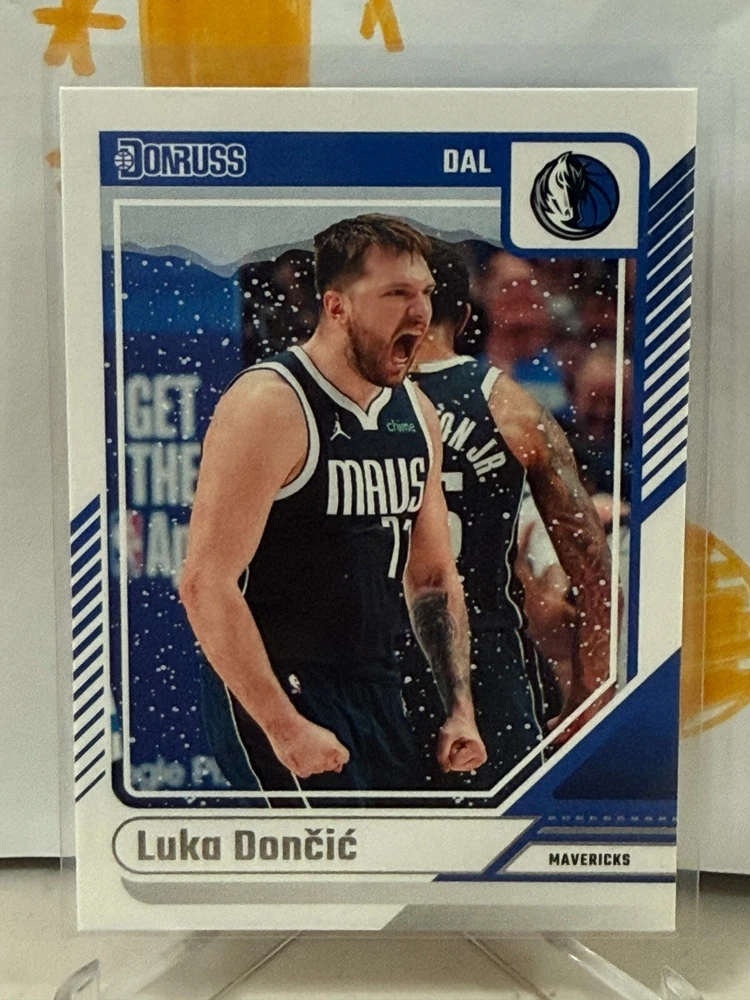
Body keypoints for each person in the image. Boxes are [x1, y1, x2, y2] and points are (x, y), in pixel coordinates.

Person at [180, 215, 487, 804]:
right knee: (325, 858)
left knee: (392, 852)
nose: (420, 312)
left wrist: (459, 708)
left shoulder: (417, 413)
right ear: (337, 306)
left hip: (377, 684)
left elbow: (432, 577)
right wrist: (282, 725)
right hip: (284, 681)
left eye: (425, 292)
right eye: (395, 293)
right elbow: (205, 583)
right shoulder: (269, 404)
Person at [404, 241, 614, 795]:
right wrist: (589, 695)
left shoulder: (337, 402)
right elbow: (595, 570)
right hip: (488, 665)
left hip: (377, 666)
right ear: (466, 316)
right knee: (500, 840)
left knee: (379, 842)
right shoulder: (514, 408)